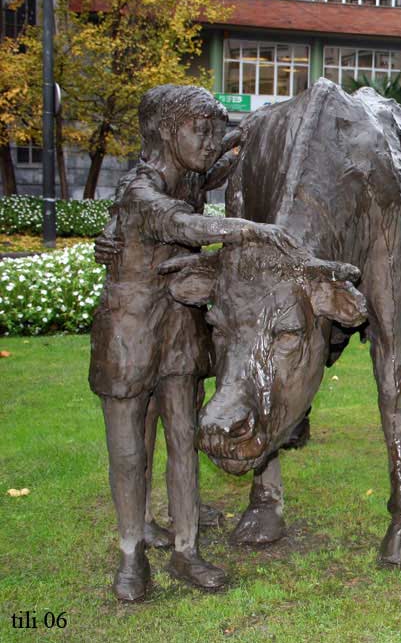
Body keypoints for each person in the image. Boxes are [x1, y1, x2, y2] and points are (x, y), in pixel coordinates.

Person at [89, 85, 298, 601]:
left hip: (178, 321)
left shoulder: (191, 175)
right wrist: (248, 230)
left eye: (212, 131)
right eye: (199, 131)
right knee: (129, 450)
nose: (208, 142)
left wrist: (249, 131)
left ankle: (186, 549)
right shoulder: (141, 191)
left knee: (184, 436)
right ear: (165, 132)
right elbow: (180, 223)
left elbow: (223, 159)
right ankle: (131, 554)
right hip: (129, 327)